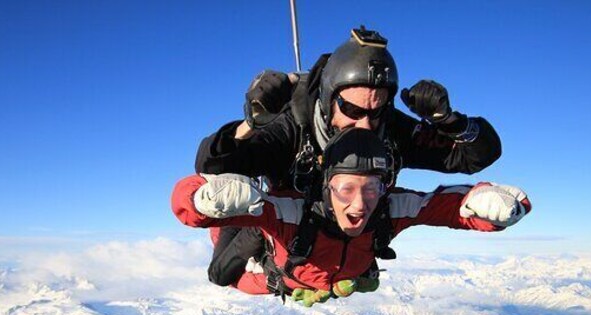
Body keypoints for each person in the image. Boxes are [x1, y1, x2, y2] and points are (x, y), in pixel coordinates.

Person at [195, 27, 503, 289]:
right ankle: (274, 264)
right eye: (353, 111)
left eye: (376, 111)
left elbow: (475, 156)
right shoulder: (293, 127)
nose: (365, 125)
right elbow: (212, 166)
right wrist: (251, 123)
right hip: (285, 216)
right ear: (329, 98)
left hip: (347, 225)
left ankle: (347, 265)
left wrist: (450, 121)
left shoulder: (390, 129)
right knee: (222, 272)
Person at [173, 127, 531, 307]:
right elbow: (190, 208)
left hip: (328, 273)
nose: (360, 204)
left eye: (371, 188)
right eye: (346, 188)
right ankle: (253, 232)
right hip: (273, 273)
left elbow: (446, 206)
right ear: (326, 187)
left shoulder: (388, 209)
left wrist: (489, 205)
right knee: (221, 275)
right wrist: (204, 199)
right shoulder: (292, 212)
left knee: (360, 275)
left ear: (384, 187)